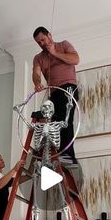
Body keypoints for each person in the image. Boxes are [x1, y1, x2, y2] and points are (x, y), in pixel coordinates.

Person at [32, 26, 80, 167]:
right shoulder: (38, 58)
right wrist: (37, 82)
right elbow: (36, 73)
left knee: (65, 120)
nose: (42, 44)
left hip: (68, 88)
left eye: (43, 39)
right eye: (39, 42)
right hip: (54, 92)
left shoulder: (63, 44)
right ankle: (54, 154)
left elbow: (75, 59)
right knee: (52, 123)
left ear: (50, 35)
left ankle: (68, 156)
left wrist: (54, 52)